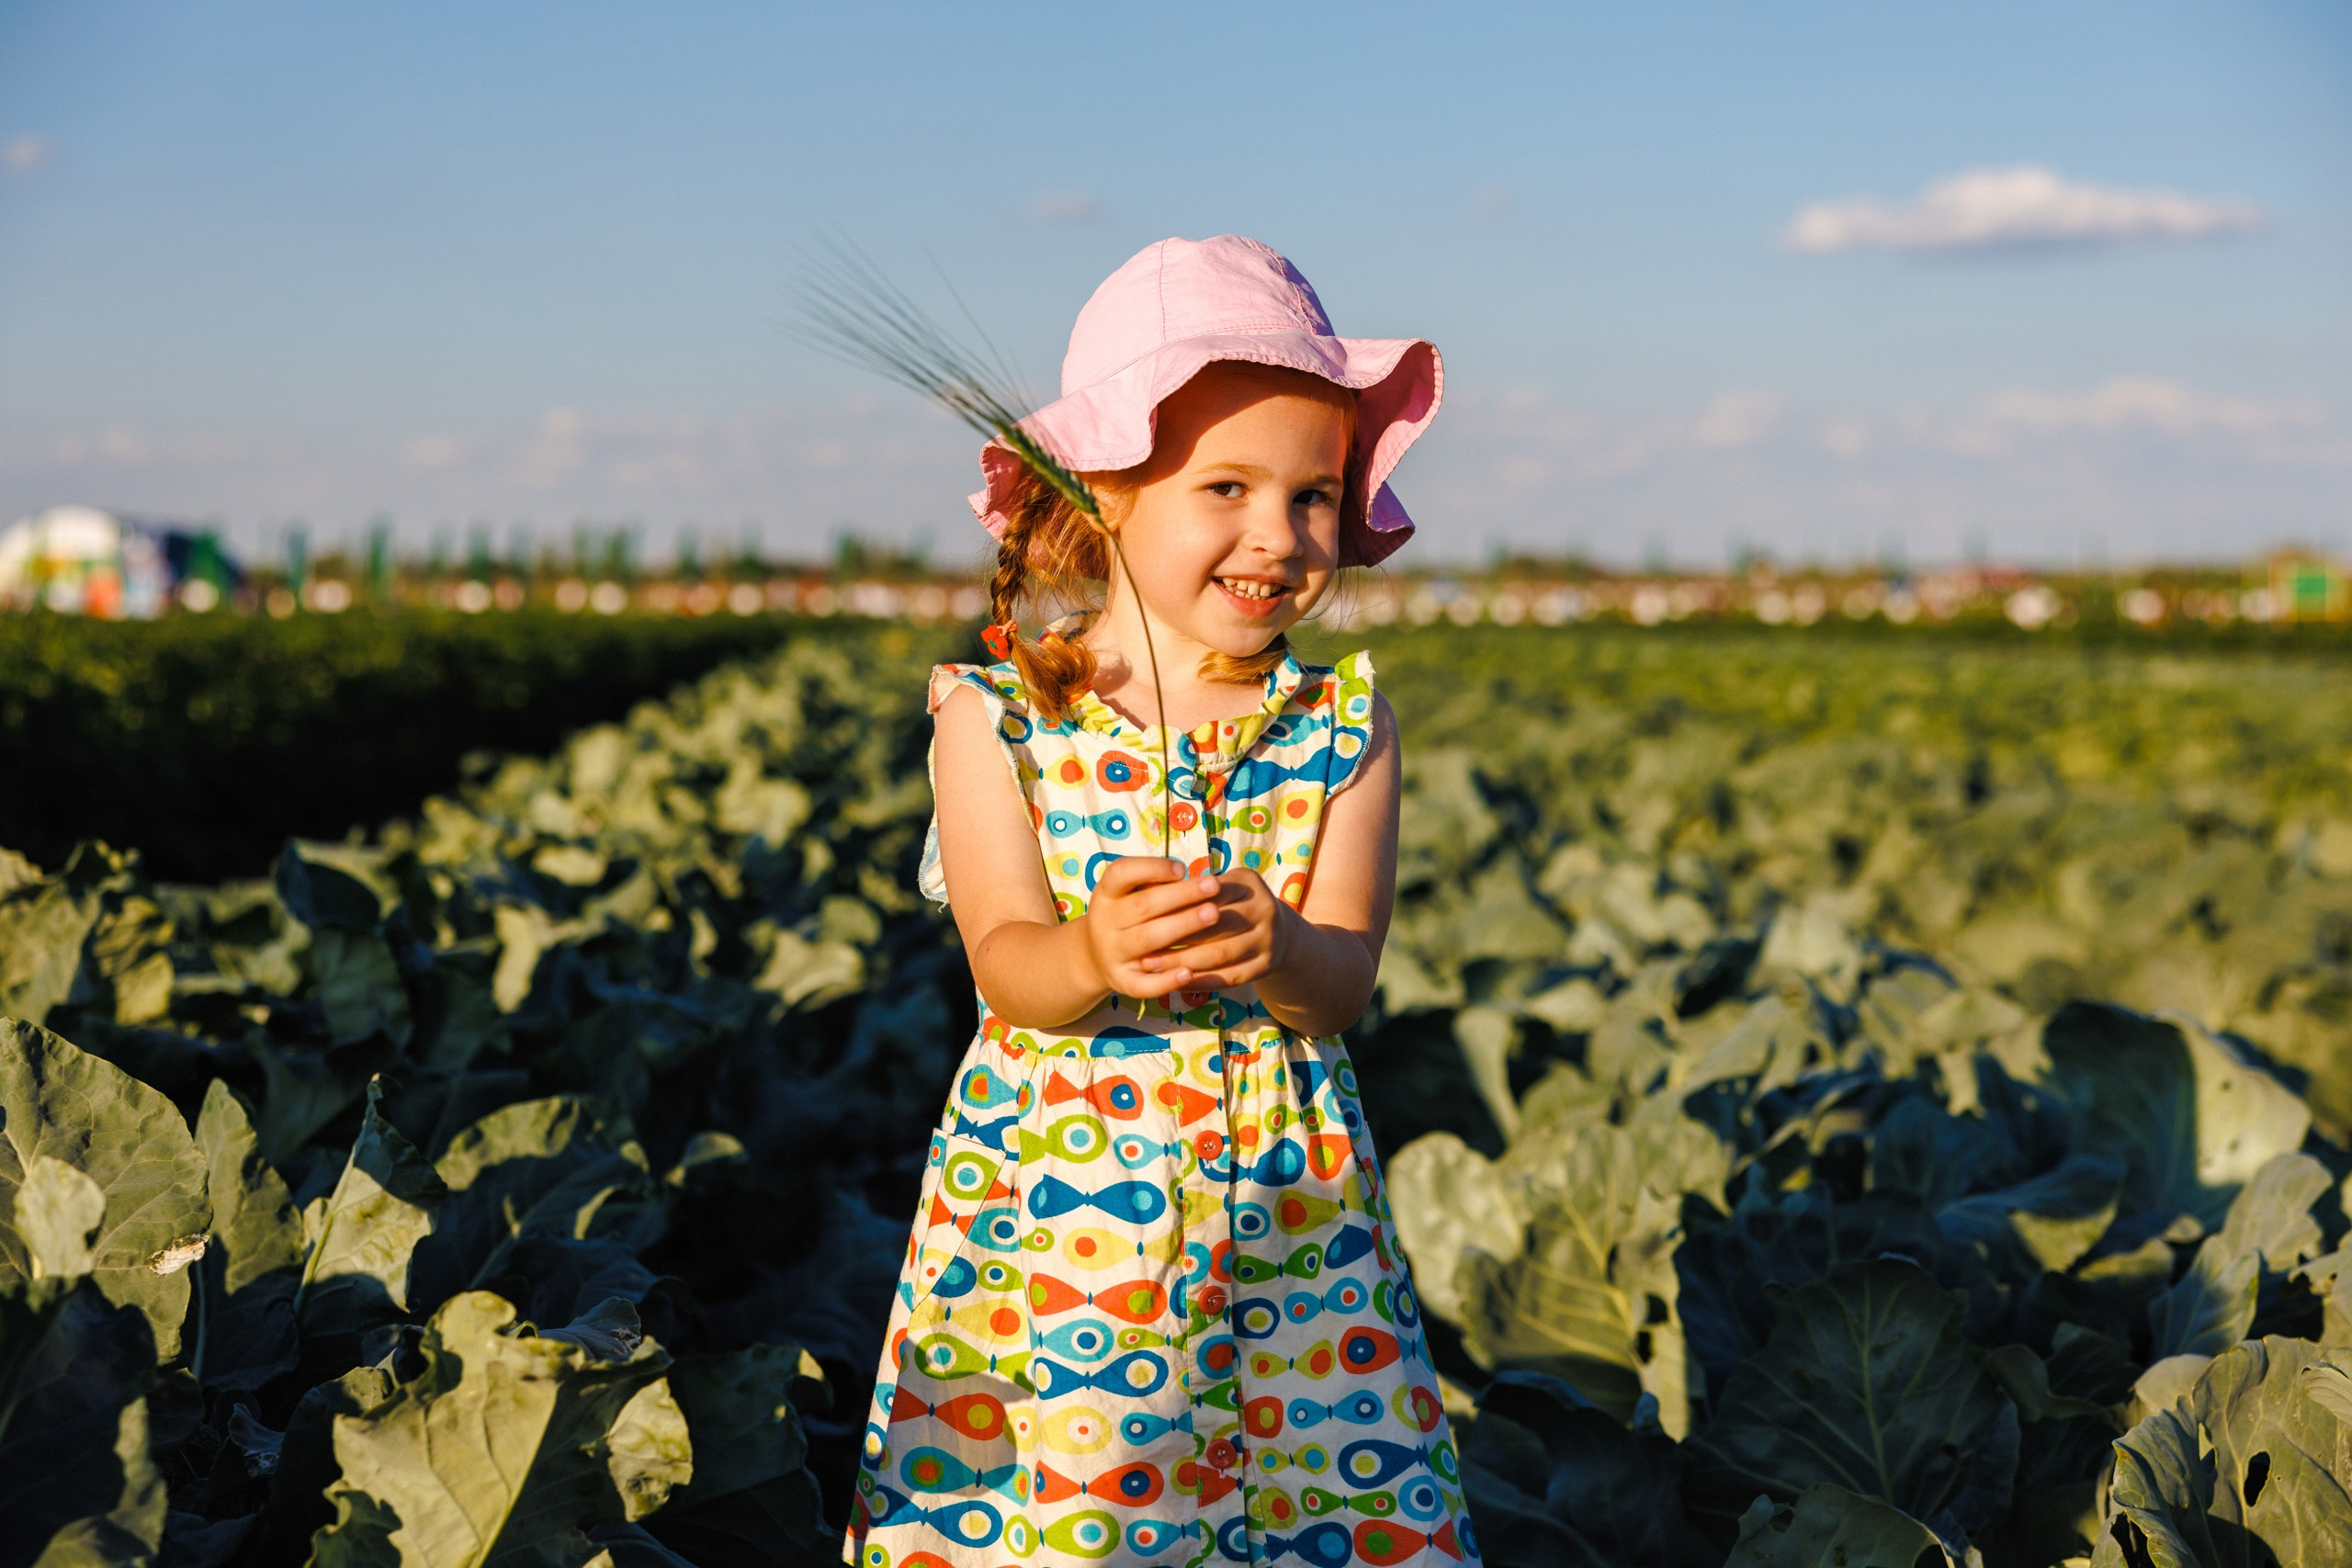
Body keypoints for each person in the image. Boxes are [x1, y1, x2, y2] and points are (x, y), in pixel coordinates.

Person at [847, 235, 1474, 1568]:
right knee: (1083, 1519)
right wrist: (1092, 950)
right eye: (1228, 485)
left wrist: (1280, 944)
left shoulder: (1343, 724)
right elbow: (1009, 971)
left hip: (1294, 1232)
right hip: (1067, 1225)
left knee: (1315, 1507)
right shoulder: (999, 722)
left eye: (1315, 495)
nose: (1280, 533)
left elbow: (1346, 983)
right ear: (1107, 493)